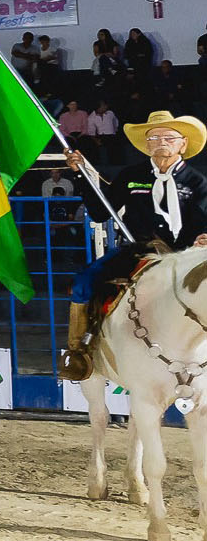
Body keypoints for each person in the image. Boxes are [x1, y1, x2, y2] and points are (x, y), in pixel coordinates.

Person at [60, 112, 207, 380]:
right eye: (154, 137)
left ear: (182, 144)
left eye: (169, 137)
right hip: (139, 251)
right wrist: (81, 176)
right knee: (84, 282)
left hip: (186, 255)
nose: (161, 141)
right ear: (146, 145)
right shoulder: (131, 175)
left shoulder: (199, 181)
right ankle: (78, 351)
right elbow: (101, 212)